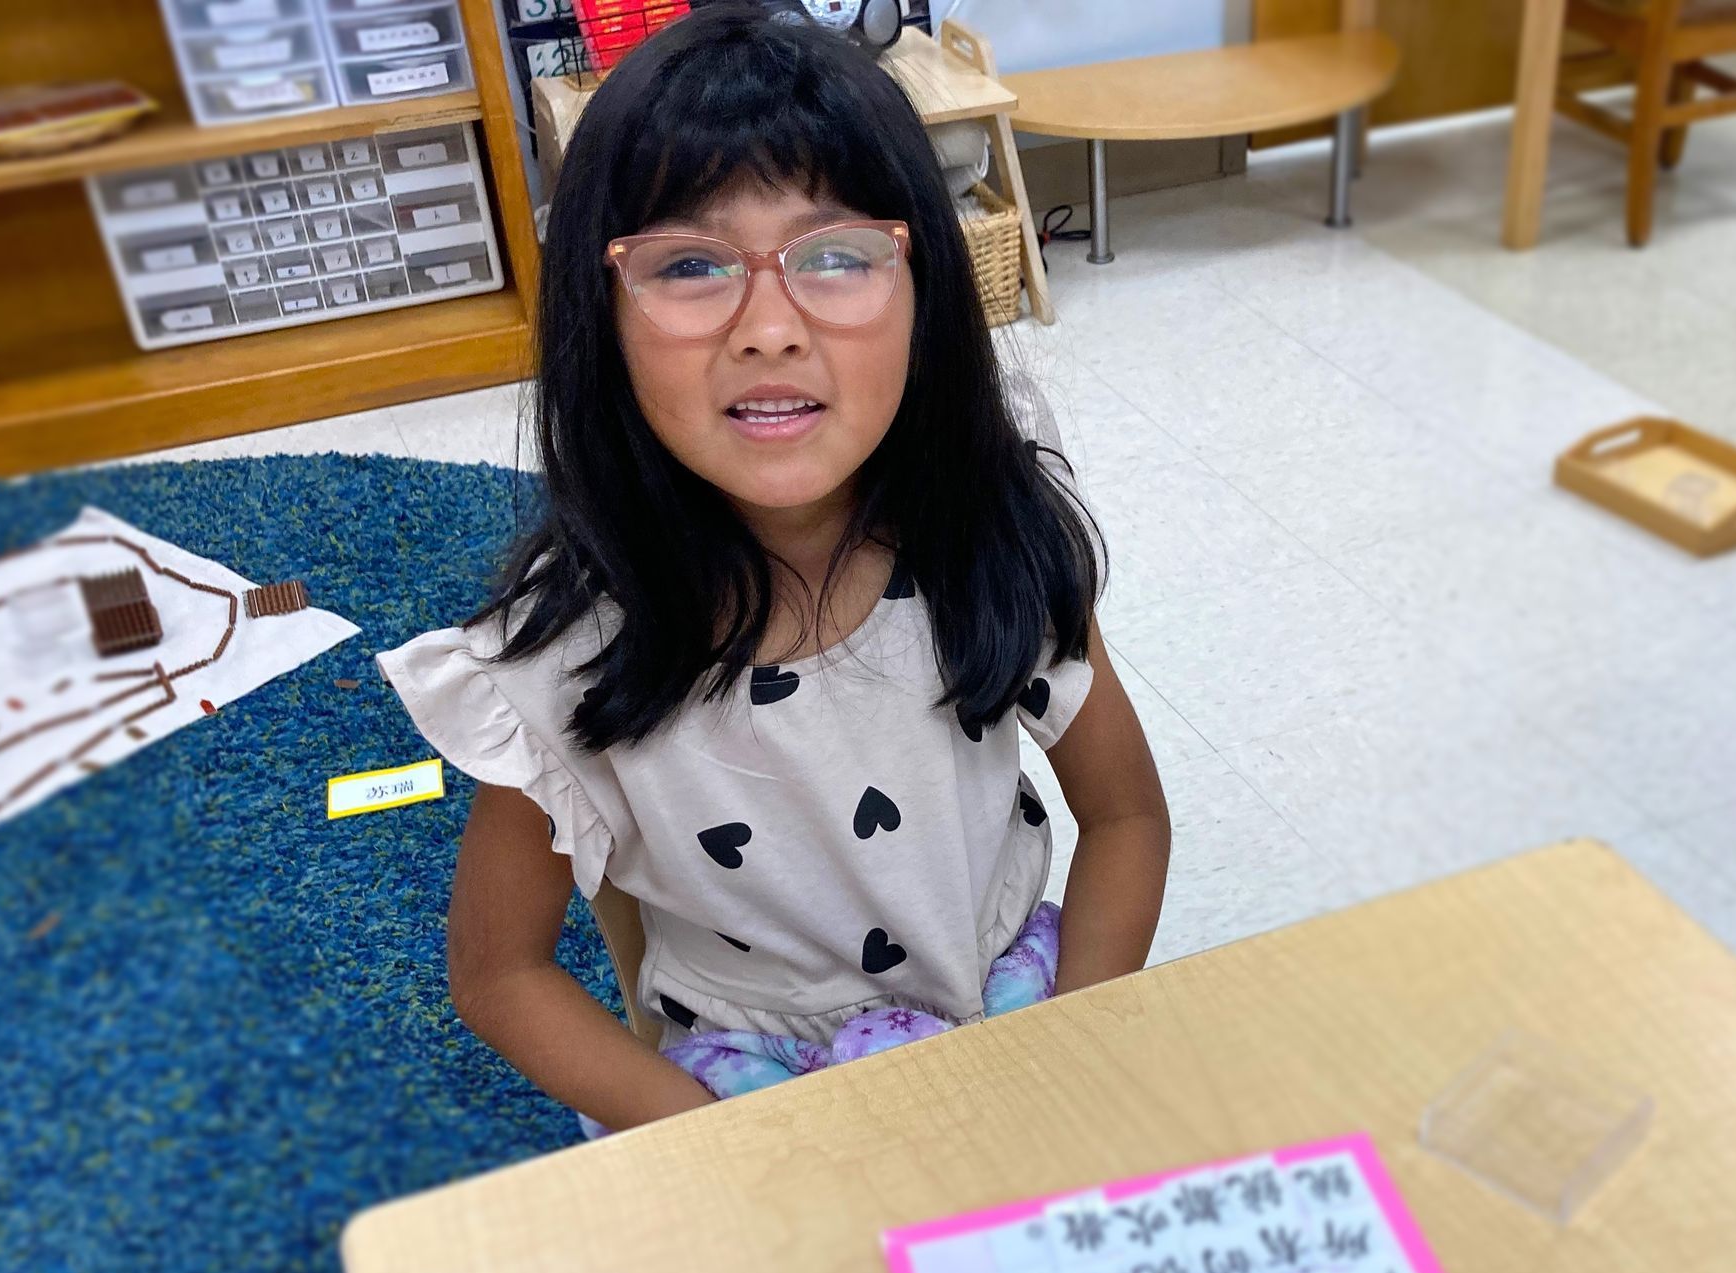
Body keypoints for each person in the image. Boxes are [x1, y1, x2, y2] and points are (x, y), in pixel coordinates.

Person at [379, 2, 1170, 1133]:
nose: (768, 327)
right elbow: (502, 974)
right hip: (740, 1092)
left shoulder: (990, 543)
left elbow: (1129, 818)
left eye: (836, 255)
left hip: (1020, 1020)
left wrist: (1075, 1046)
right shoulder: (560, 663)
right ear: (599, 315)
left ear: (924, 290)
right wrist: (726, 1143)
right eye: (691, 263)